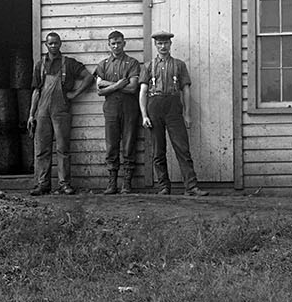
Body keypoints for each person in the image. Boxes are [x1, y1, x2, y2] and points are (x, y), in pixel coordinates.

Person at [139, 31, 205, 196]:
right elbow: (143, 91)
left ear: (170, 44)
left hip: (174, 106)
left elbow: (186, 90)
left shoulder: (179, 65)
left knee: (182, 148)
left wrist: (187, 114)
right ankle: (163, 186)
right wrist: (144, 115)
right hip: (154, 106)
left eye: (166, 43)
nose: (163, 47)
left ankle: (191, 187)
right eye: (159, 44)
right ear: (155, 45)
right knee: (158, 150)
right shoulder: (148, 66)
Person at [28, 31, 91, 195]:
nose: (53, 45)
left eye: (56, 43)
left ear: (60, 44)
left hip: (61, 109)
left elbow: (88, 77)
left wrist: (75, 94)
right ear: (46, 45)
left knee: (63, 148)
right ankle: (43, 184)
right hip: (42, 111)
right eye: (50, 43)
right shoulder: (40, 65)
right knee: (42, 148)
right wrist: (31, 114)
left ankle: (64, 184)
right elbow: (36, 91)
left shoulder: (69, 63)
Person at [90, 29, 141, 194]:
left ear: (124, 43)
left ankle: (127, 182)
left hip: (129, 109)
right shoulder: (104, 64)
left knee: (128, 143)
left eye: (119, 43)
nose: (116, 46)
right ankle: (112, 183)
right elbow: (99, 91)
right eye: (113, 43)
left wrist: (108, 85)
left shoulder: (132, 63)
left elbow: (133, 87)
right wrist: (118, 85)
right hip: (111, 109)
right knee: (112, 144)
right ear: (109, 45)